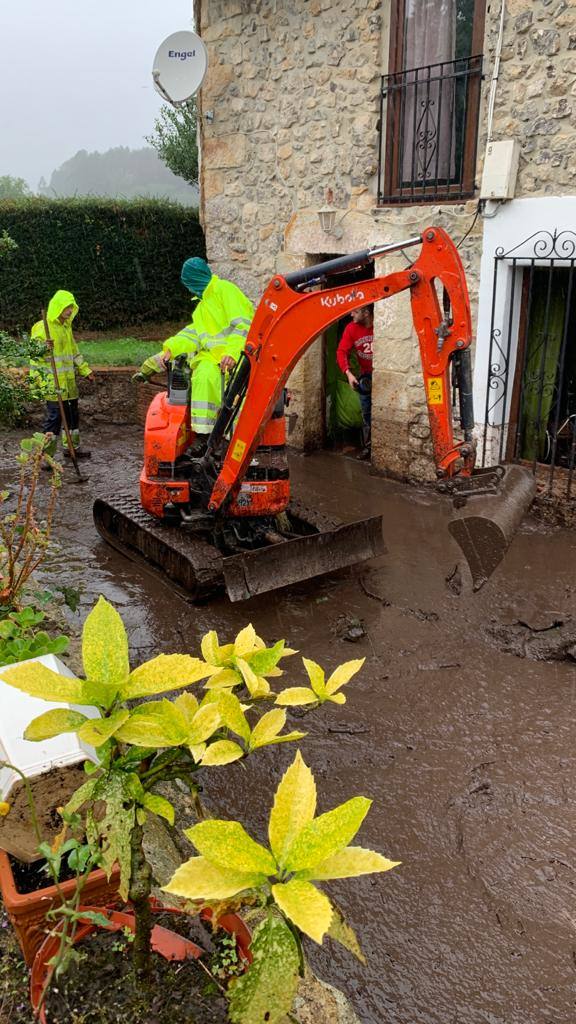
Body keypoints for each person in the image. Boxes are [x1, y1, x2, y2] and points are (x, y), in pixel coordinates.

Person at [162, 257, 254, 449]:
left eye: (188, 284)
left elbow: (243, 325)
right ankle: (205, 439)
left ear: (194, 281)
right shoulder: (201, 307)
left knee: (237, 394)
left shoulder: (225, 290)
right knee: (203, 376)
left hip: (239, 357)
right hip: (213, 359)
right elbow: (193, 335)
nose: (189, 289)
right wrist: (171, 347)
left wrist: (231, 352)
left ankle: (234, 442)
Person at [30, 290, 94, 459]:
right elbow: (32, 353)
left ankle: (72, 448)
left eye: (72, 307)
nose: (70, 311)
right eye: (67, 307)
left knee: (72, 418)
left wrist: (85, 370)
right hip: (53, 384)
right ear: (58, 307)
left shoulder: (66, 328)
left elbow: (74, 353)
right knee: (55, 419)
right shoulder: (42, 327)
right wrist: (44, 347)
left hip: (69, 385)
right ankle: (46, 457)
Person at [336, 305, 374, 459]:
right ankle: (368, 448)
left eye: (355, 311)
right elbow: (341, 351)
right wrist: (348, 373)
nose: (351, 314)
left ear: (366, 313)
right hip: (365, 376)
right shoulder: (351, 328)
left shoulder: (381, 325)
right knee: (366, 413)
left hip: (381, 374)